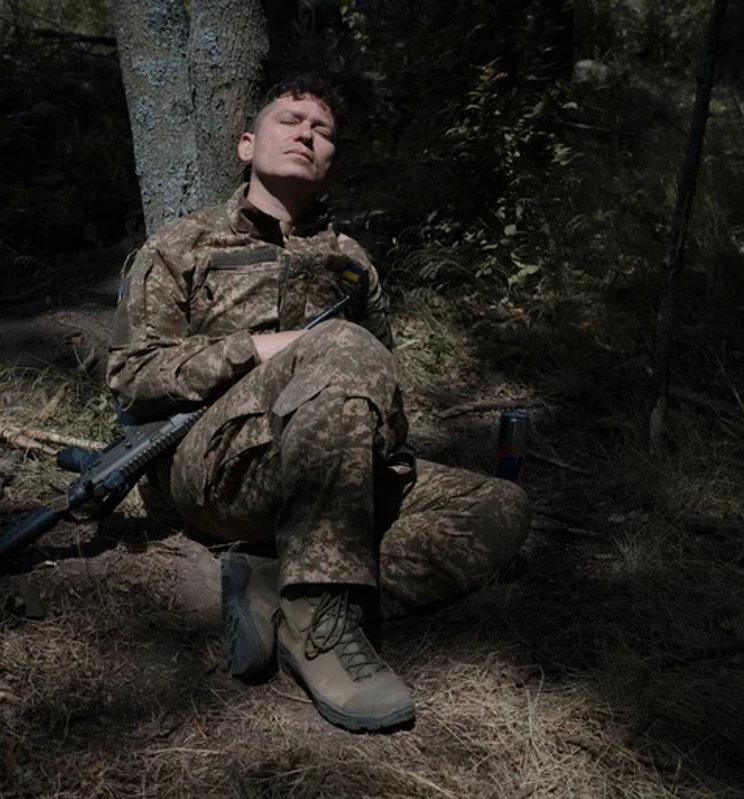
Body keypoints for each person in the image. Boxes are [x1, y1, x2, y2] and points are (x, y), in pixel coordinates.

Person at [106, 75, 530, 733]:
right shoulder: (181, 244)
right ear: (247, 144)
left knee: (500, 508)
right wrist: (256, 349)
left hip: (330, 471)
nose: (307, 132)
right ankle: (323, 616)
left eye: (322, 130)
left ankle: (277, 581)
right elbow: (131, 377)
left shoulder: (352, 262)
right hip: (217, 465)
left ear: (331, 160)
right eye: (291, 119)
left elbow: (381, 379)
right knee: (336, 342)